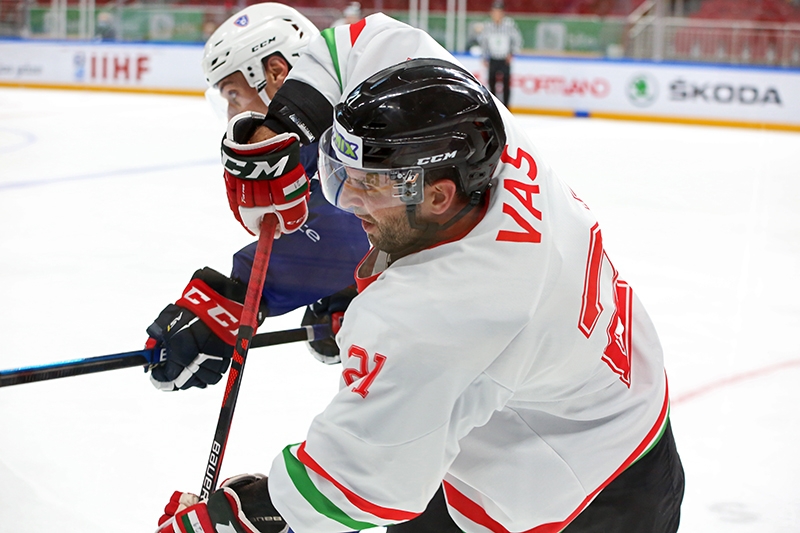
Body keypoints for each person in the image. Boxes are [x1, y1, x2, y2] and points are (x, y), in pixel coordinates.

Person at [156, 13, 684, 533]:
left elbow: (351, 486)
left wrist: (236, 518)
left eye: (368, 185)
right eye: (344, 176)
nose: (349, 200)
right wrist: (283, 125)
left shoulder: (442, 313)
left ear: (437, 195)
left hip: (579, 497)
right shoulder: (473, 134)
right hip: (595, 404)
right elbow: (361, 44)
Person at [144, 2, 370, 393]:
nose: (233, 112)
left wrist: (233, 299)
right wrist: (350, 287)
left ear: (276, 73)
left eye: (233, 94)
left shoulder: (354, 121)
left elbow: (349, 235)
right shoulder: (319, 132)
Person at [478, 0, 522, 107]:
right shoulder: (488, 26)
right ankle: (495, 107)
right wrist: (484, 57)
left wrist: (511, 53)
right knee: (492, 83)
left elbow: (517, 39)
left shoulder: (509, 24)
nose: (497, 14)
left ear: (503, 13)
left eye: (499, 11)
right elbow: (484, 42)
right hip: (493, 58)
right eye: (495, 11)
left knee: (506, 84)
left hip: (504, 59)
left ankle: (506, 107)